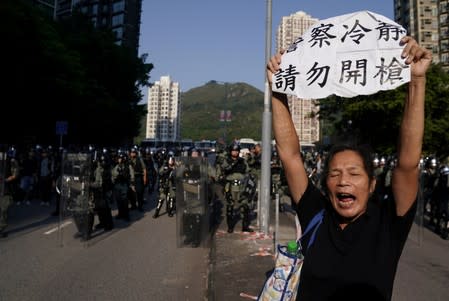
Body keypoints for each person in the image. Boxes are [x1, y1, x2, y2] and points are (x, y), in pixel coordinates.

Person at [267, 36, 431, 300]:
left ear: (372, 184)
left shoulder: (387, 223)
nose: (343, 181)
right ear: (325, 183)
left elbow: (408, 163)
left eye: (354, 174)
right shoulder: (316, 215)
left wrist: (417, 80)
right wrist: (277, 88)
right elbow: (290, 156)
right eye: (335, 174)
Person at [220, 142, 252, 233]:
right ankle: (230, 227)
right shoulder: (227, 161)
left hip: (241, 186)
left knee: (245, 206)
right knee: (230, 207)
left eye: (237, 151)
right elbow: (224, 171)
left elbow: (247, 172)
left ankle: (245, 226)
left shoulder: (242, 161)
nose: (235, 153)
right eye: (233, 151)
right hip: (231, 186)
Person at [1, 147, 20, 237]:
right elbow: (15, 174)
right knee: (3, 210)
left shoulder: (11, 161)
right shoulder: (11, 160)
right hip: (4, 189)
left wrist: (5, 180)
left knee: (3, 210)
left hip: (5, 189)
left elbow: (15, 174)